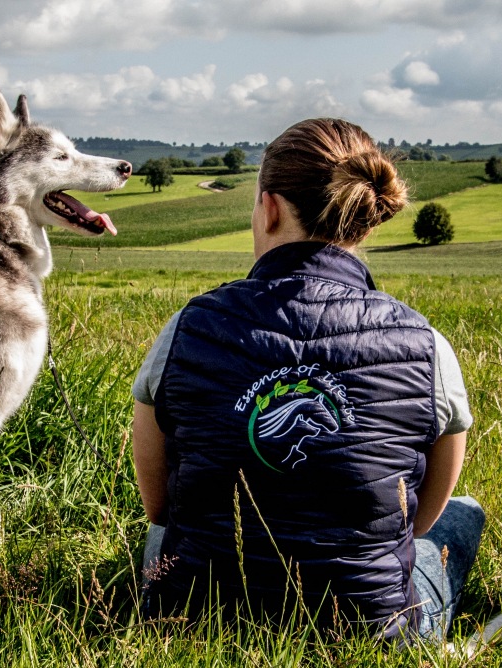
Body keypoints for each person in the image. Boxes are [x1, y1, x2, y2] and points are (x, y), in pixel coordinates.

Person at [131, 118, 483, 641]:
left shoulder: (188, 326)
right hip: (371, 630)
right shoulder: (425, 343)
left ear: (269, 207)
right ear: (364, 222)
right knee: (464, 513)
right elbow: (422, 520)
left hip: (194, 618)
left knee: (166, 539)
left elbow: (158, 505)